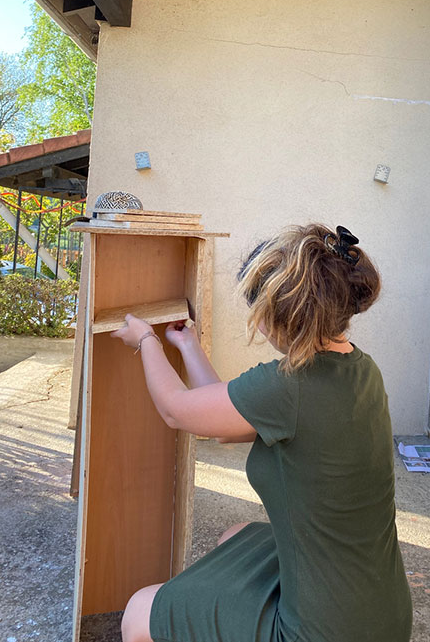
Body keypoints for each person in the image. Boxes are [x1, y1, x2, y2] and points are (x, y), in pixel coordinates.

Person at [113, 223, 413, 642]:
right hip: (381, 611)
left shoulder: (289, 385)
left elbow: (175, 411)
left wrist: (145, 339)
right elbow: (224, 426)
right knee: (235, 537)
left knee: (140, 611)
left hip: (323, 632)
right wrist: (189, 346)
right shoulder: (362, 370)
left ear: (274, 317)